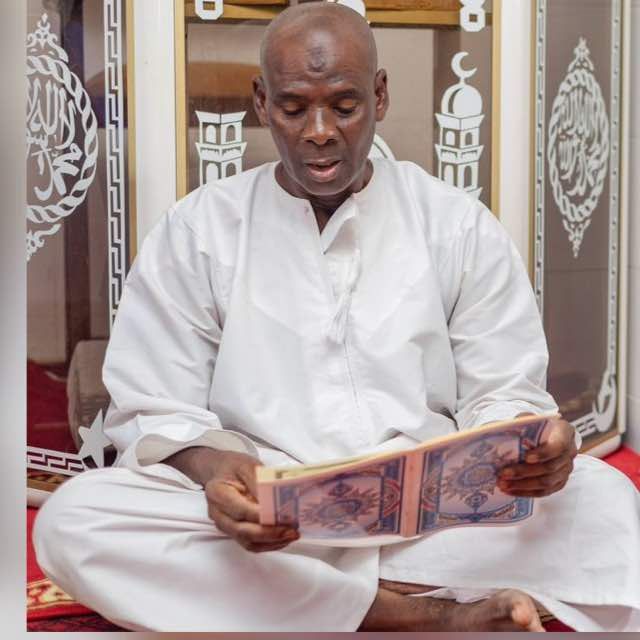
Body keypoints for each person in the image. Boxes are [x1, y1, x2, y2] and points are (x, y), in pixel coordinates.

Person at [33, 2, 640, 632]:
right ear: (262, 102)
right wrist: (217, 474)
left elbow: (503, 391)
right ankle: (420, 612)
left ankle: (309, 594)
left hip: (430, 521)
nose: (319, 131)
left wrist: (531, 445)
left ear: (380, 95)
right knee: (77, 521)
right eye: (294, 108)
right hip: (267, 523)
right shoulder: (198, 230)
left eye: (344, 106)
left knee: (604, 504)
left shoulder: (456, 225)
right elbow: (156, 410)